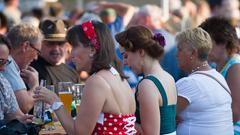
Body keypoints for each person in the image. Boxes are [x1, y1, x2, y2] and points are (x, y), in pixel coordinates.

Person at [34, 20, 136, 135]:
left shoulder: (96, 81)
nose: (71, 53)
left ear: (92, 49)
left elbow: (79, 133)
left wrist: (55, 101)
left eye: (75, 46)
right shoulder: (117, 76)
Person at [115, 25, 177, 135]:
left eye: (125, 56)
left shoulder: (147, 84)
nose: (124, 62)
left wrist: (120, 118)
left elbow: (150, 133)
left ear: (141, 52)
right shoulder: (168, 77)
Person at [176, 27, 233, 135]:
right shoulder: (218, 76)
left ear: (193, 53)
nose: (176, 54)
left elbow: (162, 119)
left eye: (179, 49)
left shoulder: (190, 83)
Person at [199, 17, 240, 135]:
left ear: (224, 43)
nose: (204, 48)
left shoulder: (235, 67)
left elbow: (236, 113)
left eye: (208, 43)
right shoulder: (214, 65)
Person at [1, 23, 42, 113]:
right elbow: (24, 105)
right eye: (37, 51)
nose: (36, 58)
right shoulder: (8, 63)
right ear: (25, 46)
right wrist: (35, 85)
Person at [31, 19, 80, 86]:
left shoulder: (72, 74)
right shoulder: (31, 71)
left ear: (66, 45)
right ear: (39, 44)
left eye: (60, 43)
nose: (56, 48)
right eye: (50, 43)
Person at [0, 34, 33, 124]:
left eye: (6, 62)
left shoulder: (2, 82)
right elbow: (24, 105)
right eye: (0, 62)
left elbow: (17, 115)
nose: (3, 69)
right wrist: (34, 86)